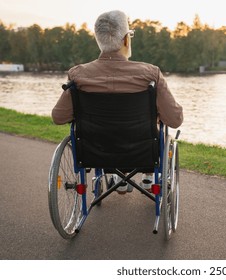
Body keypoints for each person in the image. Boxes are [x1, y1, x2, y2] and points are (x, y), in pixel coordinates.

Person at [52, 10, 183, 194]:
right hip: (142, 152)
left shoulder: (78, 75)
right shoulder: (150, 74)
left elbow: (58, 117)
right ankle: (149, 176)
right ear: (126, 40)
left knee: (105, 129)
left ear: (98, 40)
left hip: (95, 151)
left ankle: (117, 174)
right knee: (156, 120)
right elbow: (175, 120)